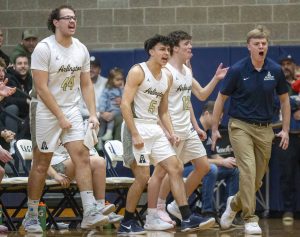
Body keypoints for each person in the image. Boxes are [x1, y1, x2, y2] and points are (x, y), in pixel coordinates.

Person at [23, 5, 108, 233]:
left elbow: (86, 83)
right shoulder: (43, 49)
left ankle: (90, 210)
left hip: (71, 108)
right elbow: (40, 87)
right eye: (67, 18)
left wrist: (92, 113)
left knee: (81, 155)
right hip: (45, 110)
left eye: (74, 18)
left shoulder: (80, 48)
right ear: (55, 22)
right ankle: (31, 215)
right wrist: (59, 116)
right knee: (41, 164)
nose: (72, 21)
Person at [119, 34, 214, 235]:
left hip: (154, 128)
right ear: (151, 51)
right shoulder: (138, 71)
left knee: (176, 167)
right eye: (162, 49)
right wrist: (135, 134)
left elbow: (163, 111)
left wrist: (170, 132)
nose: (165, 53)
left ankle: (186, 217)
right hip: (135, 127)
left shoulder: (167, 77)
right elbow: (125, 104)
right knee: (143, 177)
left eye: (168, 50)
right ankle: (127, 221)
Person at [211, 25, 290, 235]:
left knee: (256, 179)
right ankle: (249, 217)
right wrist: (214, 128)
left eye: (264, 43)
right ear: (249, 47)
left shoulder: (274, 70)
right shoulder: (237, 70)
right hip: (240, 126)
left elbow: (284, 100)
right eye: (257, 44)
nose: (261, 46)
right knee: (247, 170)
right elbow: (221, 99)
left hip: (265, 129)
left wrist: (285, 129)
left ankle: (233, 203)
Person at [155, 30, 227, 225]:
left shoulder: (187, 71)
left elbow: (200, 96)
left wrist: (216, 78)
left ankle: (175, 206)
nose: (190, 47)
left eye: (190, 43)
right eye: (186, 44)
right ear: (175, 48)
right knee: (170, 171)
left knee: (204, 166)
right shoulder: (165, 72)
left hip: (186, 128)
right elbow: (159, 108)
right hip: (173, 130)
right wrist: (167, 132)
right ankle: (159, 209)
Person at [184, 101, 239, 220]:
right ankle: (206, 211)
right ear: (207, 114)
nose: (219, 122)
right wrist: (221, 162)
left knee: (234, 170)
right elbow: (197, 161)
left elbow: (214, 157)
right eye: (218, 118)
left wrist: (229, 161)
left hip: (204, 169)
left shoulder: (209, 132)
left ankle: (228, 212)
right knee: (211, 169)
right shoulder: (194, 129)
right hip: (187, 169)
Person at [47, 143, 123, 224]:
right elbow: (39, 159)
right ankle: (94, 211)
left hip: (77, 162)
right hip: (53, 166)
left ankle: (100, 207)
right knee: (91, 161)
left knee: (100, 161)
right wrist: (55, 175)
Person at [271, 54, 300, 224]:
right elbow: (277, 102)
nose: (286, 67)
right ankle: (288, 209)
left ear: (295, 66)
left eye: (289, 64)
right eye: (283, 64)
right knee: (287, 175)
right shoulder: (277, 85)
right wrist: (295, 105)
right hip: (287, 137)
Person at [99, 67, 124, 141]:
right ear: (111, 80)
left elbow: (125, 98)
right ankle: (100, 139)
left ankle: (109, 134)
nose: (120, 81)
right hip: (107, 110)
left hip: (117, 110)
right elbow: (103, 99)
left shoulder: (121, 89)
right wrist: (102, 110)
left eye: (121, 79)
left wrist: (122, 88)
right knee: (102, 121)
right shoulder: (107, 89)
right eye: (117, 79)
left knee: (111, 117)